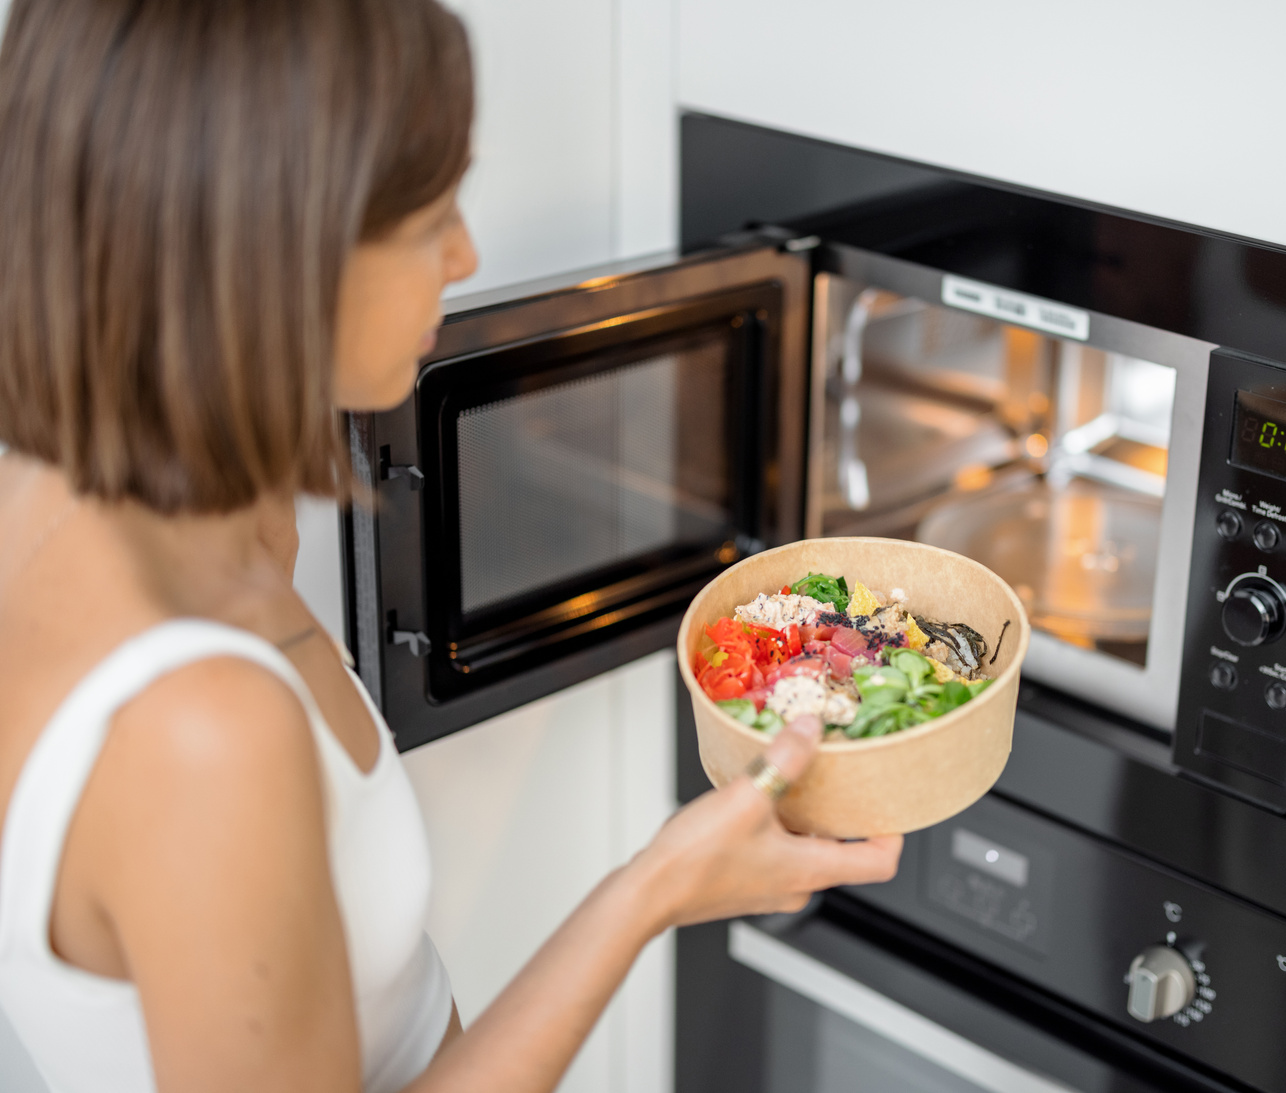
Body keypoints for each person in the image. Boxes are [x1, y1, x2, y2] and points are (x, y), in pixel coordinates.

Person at [0, 1, 902, 1090]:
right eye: (430, 218)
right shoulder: (201, 731)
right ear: (270, 252)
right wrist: (653, 890)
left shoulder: (110, 500)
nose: (466, 256)